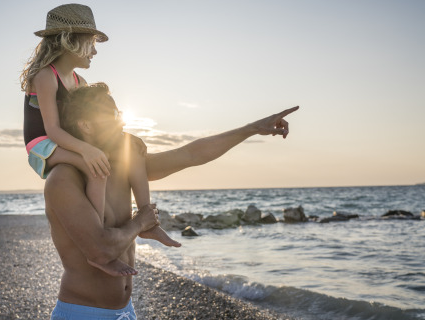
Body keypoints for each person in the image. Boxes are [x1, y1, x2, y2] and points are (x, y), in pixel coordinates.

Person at [46, 82, 299, 319]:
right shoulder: (64, 179)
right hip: (83, 313)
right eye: (110, 116)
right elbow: (100, 250)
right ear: (86, 126)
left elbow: (190, 154)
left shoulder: (122, 165)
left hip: (126, 311)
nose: (120, 123)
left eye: (118, 113)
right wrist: (140, 223)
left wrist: (251, 129)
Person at [21, 4, 180, 278]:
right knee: (94, 165)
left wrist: (125, 137)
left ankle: (147, 220)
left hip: (68, 140)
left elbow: (90, 123)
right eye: (91, 44)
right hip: (43, 145)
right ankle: (96, 248)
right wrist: (87, 150)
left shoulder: (79, 80)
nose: (95, 51)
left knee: (129, 150)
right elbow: (53, 130)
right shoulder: (46, 76)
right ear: (70, 41)